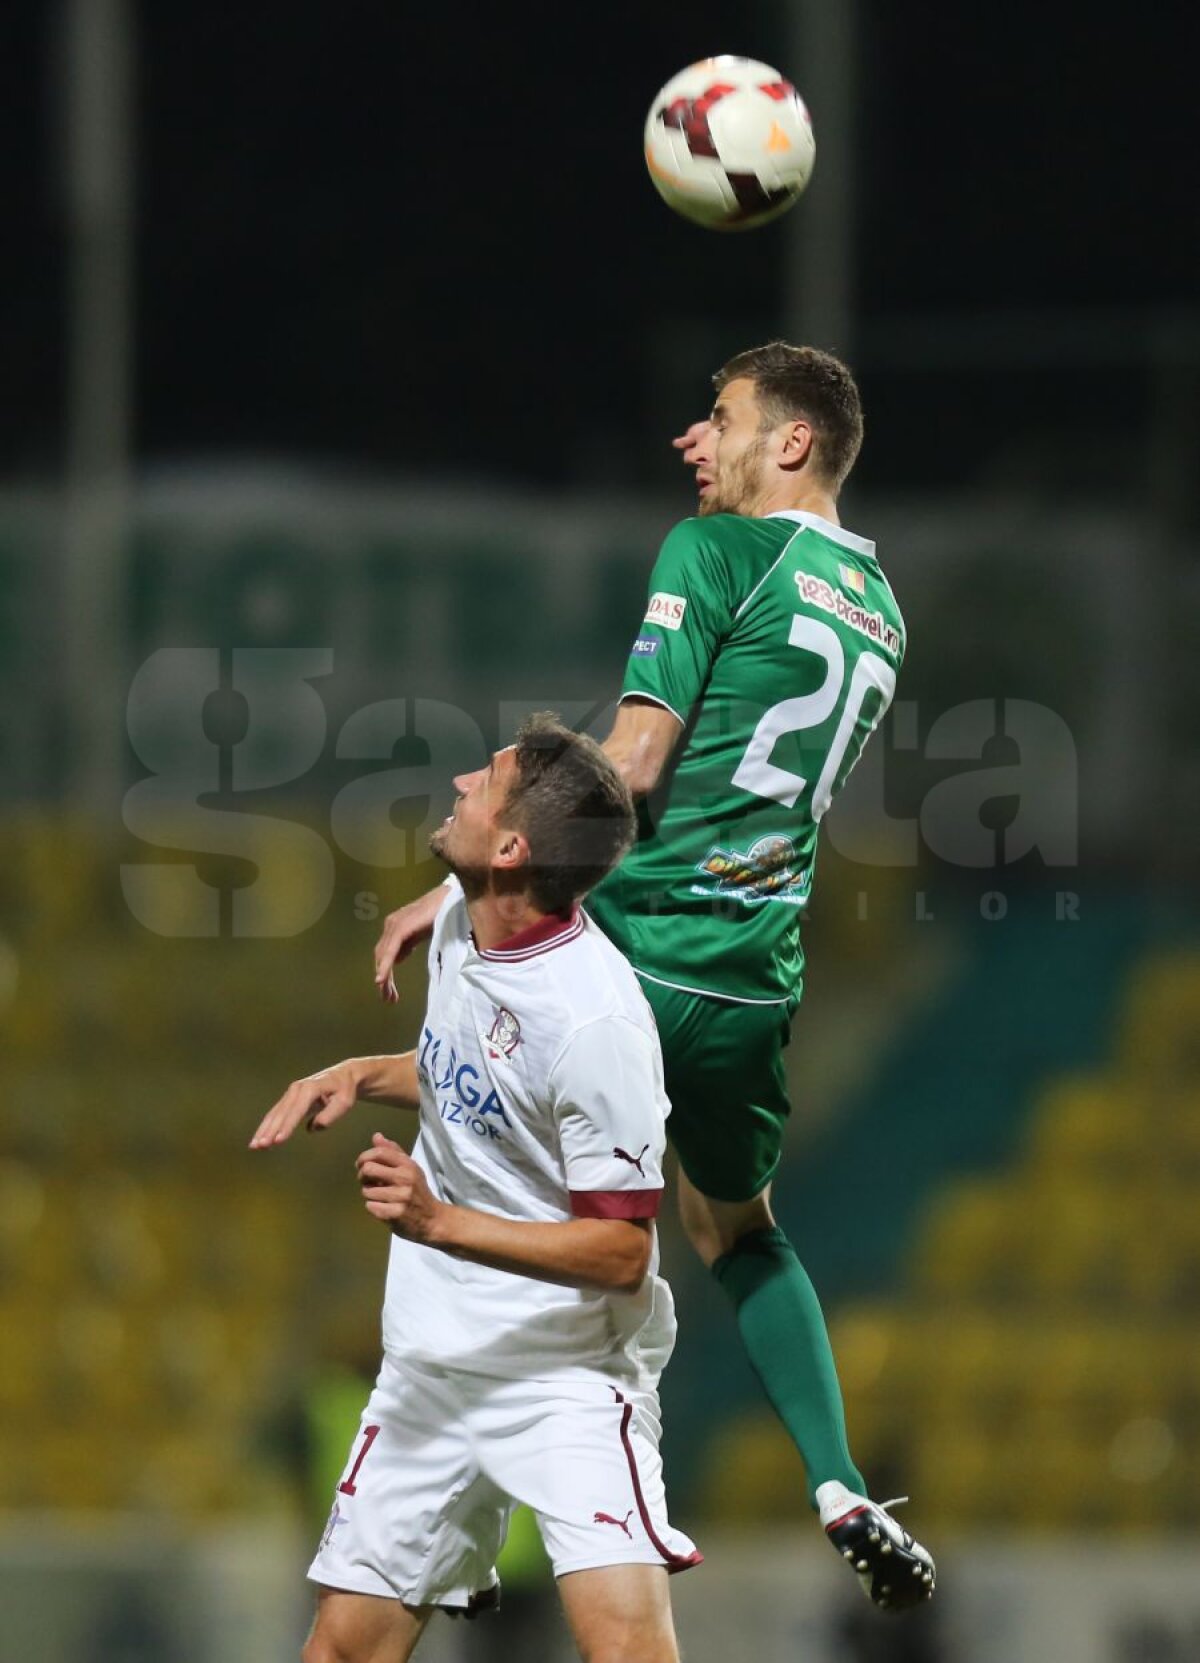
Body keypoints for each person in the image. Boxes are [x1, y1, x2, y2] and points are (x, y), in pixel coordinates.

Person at [373, 344, 935, 1611]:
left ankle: (493, 1487)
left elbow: (628, 765)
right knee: (732, 1229)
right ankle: (838, 1478)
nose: (698, 439)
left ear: (790, 443)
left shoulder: (719, 555)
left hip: (617, 955)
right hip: (749, 979)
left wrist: (477, 875)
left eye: (723, 419)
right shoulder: (884, 613)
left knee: (496, 1165)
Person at [251, 713, 698, 1663]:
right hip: (433, 1367)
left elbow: (624, 1252)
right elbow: (473, 1070)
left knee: (628, 1653)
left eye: (482, 780)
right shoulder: (461, 919)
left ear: (511, 847)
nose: (458, 779)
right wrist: (362, 1073)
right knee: (339, 1649)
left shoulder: (597, 1023)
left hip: (564, 1375)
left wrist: (436, 1220)